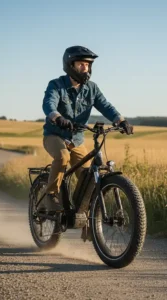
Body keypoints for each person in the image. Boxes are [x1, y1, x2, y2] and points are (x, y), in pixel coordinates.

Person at [41, 45, 133, 212]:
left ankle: (81, 213)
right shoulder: (56, 85)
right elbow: (49, 104)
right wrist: (57, 117)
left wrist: (121, 120)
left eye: (88, 65)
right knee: (62, 157)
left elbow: (105, 106)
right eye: (81, 64)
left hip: (76, 139)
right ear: (71, 65)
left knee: (88, 176)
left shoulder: (92, 88)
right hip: (55, 135)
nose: (86, 68)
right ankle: (51, 195)